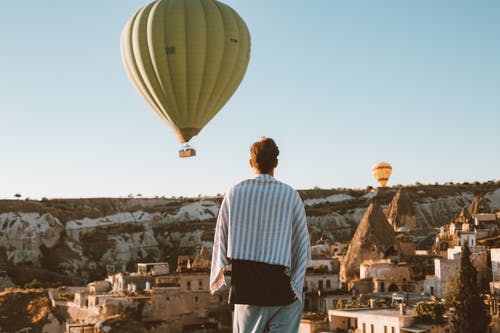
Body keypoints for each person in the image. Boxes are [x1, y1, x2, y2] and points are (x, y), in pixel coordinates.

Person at [210, 137, 311, 333]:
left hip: (247, 290)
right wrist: (297, 284)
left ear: (250, 162)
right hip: (283, 288)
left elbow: (220, 238)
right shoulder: (290, 194)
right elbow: (302, 243)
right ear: (276, 163)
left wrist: (220, 275)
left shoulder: (234, 193)